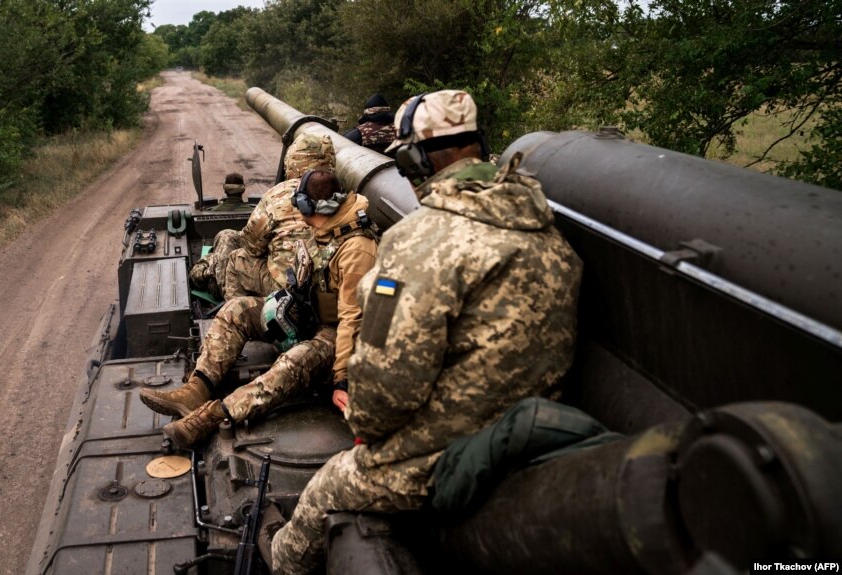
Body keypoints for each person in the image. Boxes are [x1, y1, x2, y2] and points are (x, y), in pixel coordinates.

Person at [267, 90, 584, 574]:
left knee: (328, 486)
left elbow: (384, 390)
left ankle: (279, 564)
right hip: (527, 436)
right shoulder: (547, 230)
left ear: (416, 157)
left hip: (450, 454)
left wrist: (364, 425)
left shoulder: (418, 242)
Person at [141, 169, 378, 447]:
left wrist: (341, 380)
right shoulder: (325, 229)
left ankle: (212, 416)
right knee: (236, 310)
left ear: (310, 206)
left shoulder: (356, 249)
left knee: (293, 363)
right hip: (309, 313)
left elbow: (352, 319)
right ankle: (197, 388)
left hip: (336, 334)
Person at [188, 134, 336, 302]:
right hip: (325, 289)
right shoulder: (342, 194)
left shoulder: (279, 194)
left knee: (234, 254)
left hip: (287, 288)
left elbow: (251, 246)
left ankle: (235, 311)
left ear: (292, 161)